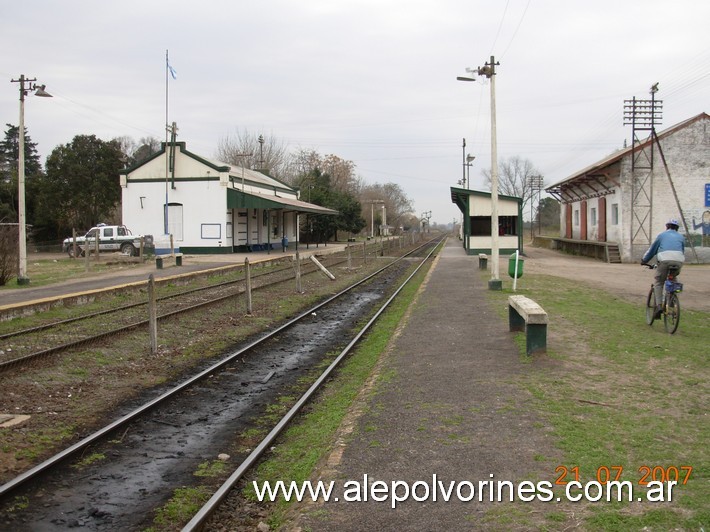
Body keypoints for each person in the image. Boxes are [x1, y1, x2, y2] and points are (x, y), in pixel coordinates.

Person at [641, 219, 685, 319]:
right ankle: (672, 301)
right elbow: (682, 251)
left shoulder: (661, 235)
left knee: (659, 282)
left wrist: (644, 260)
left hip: (664, 261)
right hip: (678, 261)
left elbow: (652, 250)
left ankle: (659, 306)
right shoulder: (681, 237)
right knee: (673, 279)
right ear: (677, 229)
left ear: (667, 227)